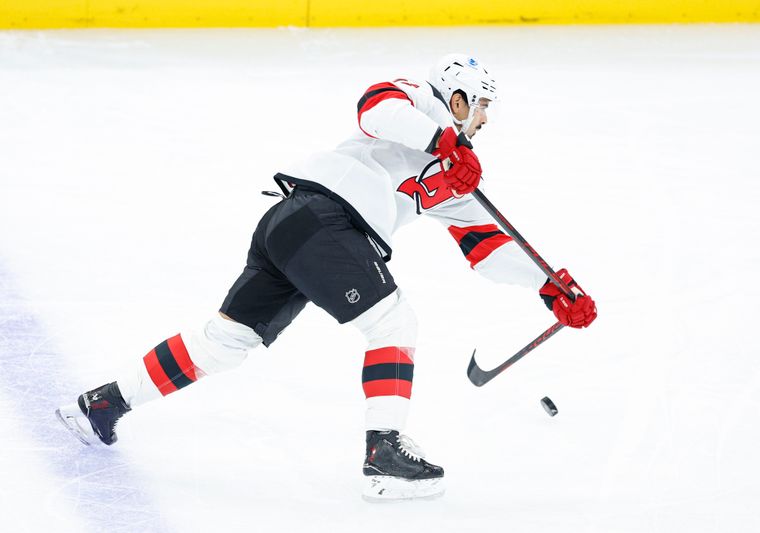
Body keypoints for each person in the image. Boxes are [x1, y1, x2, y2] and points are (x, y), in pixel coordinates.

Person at [56, 53, 597, 501]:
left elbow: (487, 245)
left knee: (226, 341)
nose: (483, 122)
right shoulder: (420, 100)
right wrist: (443, 141)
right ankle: (383, 454)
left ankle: (104, 403)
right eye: (480, 108)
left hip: (296, 230)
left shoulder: (455, 175)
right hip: (324, 218)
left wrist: (549, 287)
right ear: (456, 97)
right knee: (394, 324)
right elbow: (374, 109)